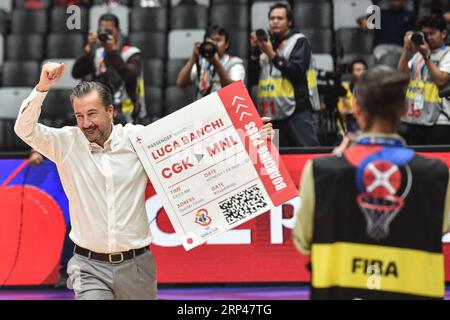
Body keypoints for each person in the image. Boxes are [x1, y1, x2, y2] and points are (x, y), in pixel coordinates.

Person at [14, 62, 274, 300]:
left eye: (92, 114)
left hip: (137, 265)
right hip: (87, 265)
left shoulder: (139, 138)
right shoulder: (66, 143)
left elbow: (197, 152)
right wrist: (42, 87)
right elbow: (24, 129)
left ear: (111, 111)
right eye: (79, 116)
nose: (85, 123)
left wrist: (250, 138)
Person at [293, 66, 450, 300]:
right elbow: (442, 227)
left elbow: (303, 240)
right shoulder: (436, 173)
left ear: (356, 109)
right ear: (404, 109)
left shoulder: (320, 171)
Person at [248, 2, 320, 147]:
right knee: (275, 158)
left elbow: (297, 72)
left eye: (280, 18)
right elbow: (253, 79)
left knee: (306, 152)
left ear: (290, 21)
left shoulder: (299, 41)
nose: (275, 21)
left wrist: (272, 55)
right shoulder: (267, 43)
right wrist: (255, 53)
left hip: (295, 110)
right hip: (271, 113)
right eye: (272, 18)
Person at [72, 13, 145, 124]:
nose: (105, 34)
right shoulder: (98, 53)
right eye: (102, 31)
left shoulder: (131, 53)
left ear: (118, 31)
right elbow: (76, 73)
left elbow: (129, 76)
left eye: (109, 31)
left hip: (125, 113)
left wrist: (112, 51)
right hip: (100, 110)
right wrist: (88, 47)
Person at [398, 14, 450, 145]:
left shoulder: (447, 54)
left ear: (443, 34)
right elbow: (401, 76)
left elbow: (441, 80)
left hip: (440, 120)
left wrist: (427, 56)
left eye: (432, 33)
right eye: (425, 34)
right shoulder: (418, 55)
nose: (428, 38)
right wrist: (406, 50)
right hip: (416, 118)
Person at [176, 25, 245, 100]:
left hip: (224, 109)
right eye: (210, 41)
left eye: (218, 40)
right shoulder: (202, 63)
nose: (214, 44)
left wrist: (216, 63)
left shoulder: (234, 63)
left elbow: (235, 89)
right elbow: (181, 83)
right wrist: (193, 58)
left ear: (226, 44)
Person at [337, 58, 368, 136]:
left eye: (364, 69)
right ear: (351, 73)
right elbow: (341, 111)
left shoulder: (371, 90)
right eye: (358, 70)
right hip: (346, 129)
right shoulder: (344, 89)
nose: (362, 72)